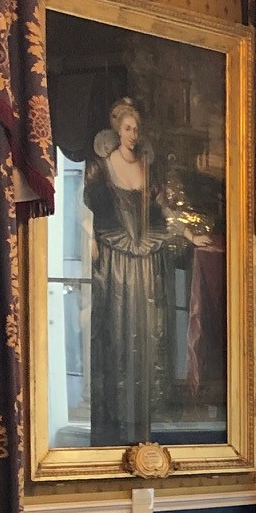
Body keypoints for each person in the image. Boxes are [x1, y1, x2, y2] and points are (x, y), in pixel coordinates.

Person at [84, 98, 173, 447]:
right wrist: (91, 239)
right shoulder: (102, 167)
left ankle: (146, 424)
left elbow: (160, 213)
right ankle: (116, 423)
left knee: (147, 329)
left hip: (146, 260)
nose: (132, 134)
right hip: (115, 258)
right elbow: (90, 210)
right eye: (127, 128)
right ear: (117, 130)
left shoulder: (148, 169)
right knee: (118, 330)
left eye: (136, 129)